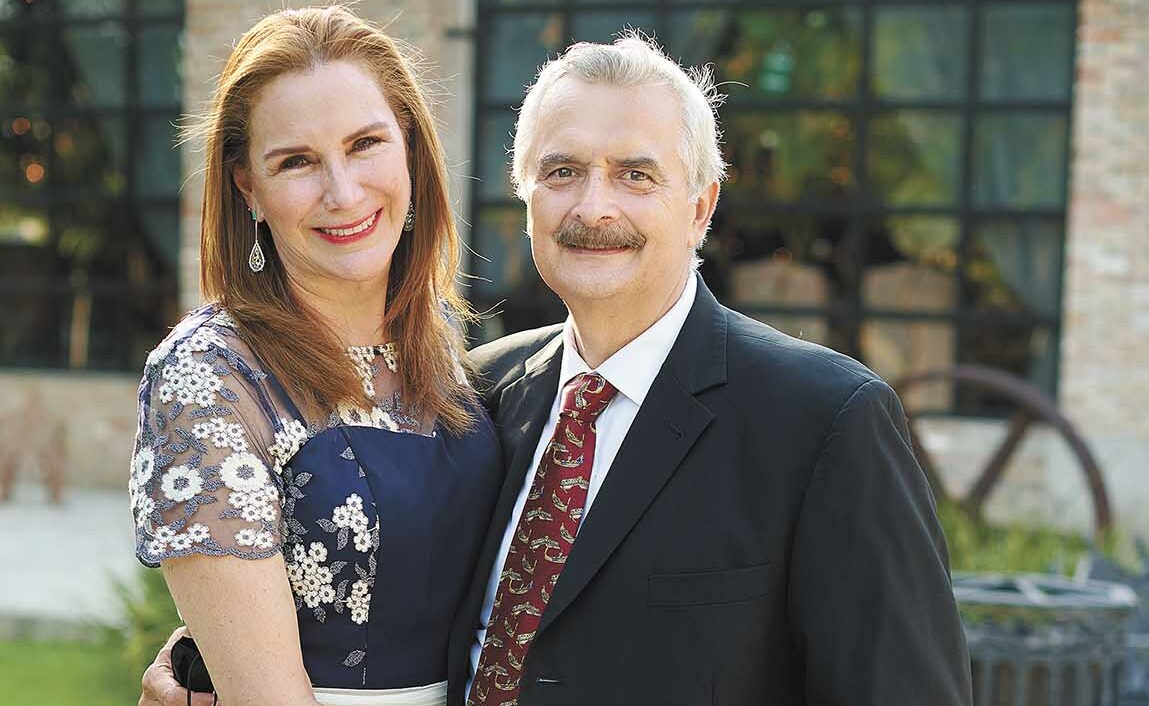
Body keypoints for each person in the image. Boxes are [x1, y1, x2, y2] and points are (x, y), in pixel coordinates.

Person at [142, 33, 972, 706]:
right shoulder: (480, 394)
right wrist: (207, 659)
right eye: (562, 172)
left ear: (701, 205)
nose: (593, 208)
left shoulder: (824, 421)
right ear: (524, 194)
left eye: (635, 174)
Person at [128, 6, 502, 706]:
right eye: (296, 161)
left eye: (365, 144)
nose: (343, 191)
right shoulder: (211, 374)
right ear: (249, 189)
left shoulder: (440, 349)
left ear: (412, 152)